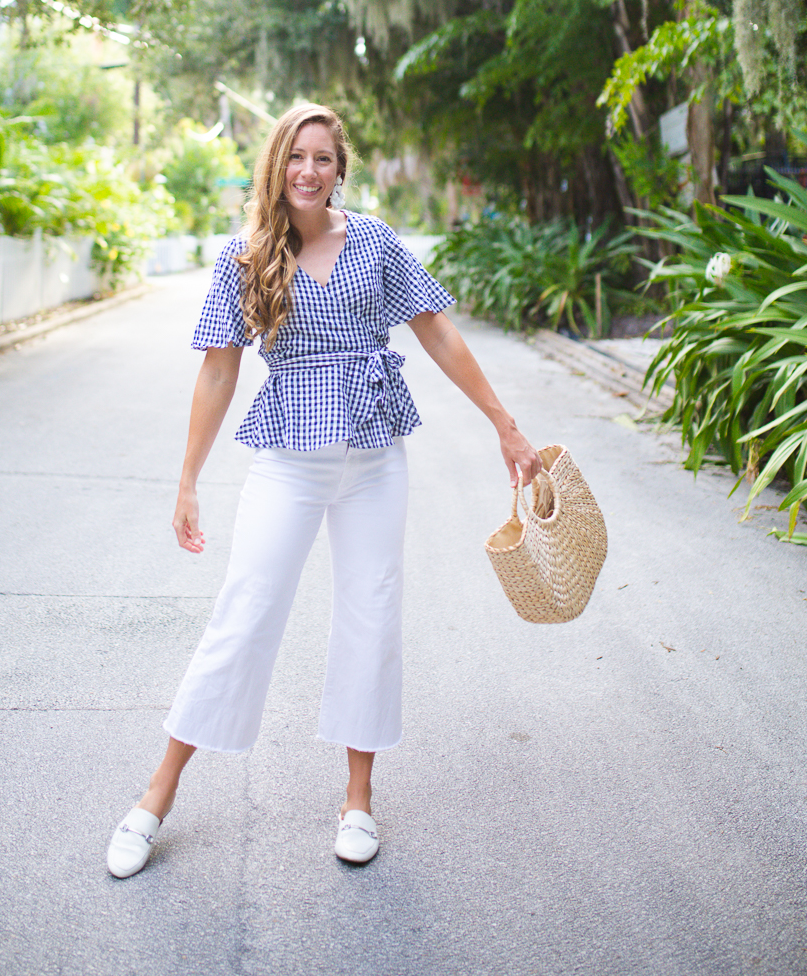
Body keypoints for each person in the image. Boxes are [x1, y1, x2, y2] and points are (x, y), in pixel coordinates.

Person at [107, 104, 540, 877]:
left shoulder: (372, 241)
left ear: (341, 168)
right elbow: (217, 369)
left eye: (323, 159)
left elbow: (437, 328)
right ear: (275, 165)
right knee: (245, 614)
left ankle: (358, 801)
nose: (308, 171)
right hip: (289, 460)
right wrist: (187, 481)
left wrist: (505, 424)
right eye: (295, 157)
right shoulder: (245, 255)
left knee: (372, 613)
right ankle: (154, 797)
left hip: (376, 457)